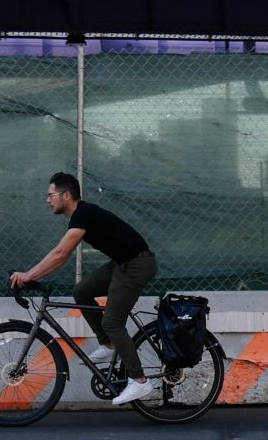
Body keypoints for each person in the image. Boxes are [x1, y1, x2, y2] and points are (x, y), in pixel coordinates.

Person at [10, 172, 158, 405]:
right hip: (124, 263)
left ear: (66, 195)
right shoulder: (81, 215)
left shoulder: (84, 214)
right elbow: (60, 255)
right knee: (82, 291)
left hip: (137, 264)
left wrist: (29, 276)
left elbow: (60, 254)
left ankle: (139, 381)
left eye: (50, 195)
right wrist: (32, 275)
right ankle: (108, 344)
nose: (47, 200)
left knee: (112, 322)